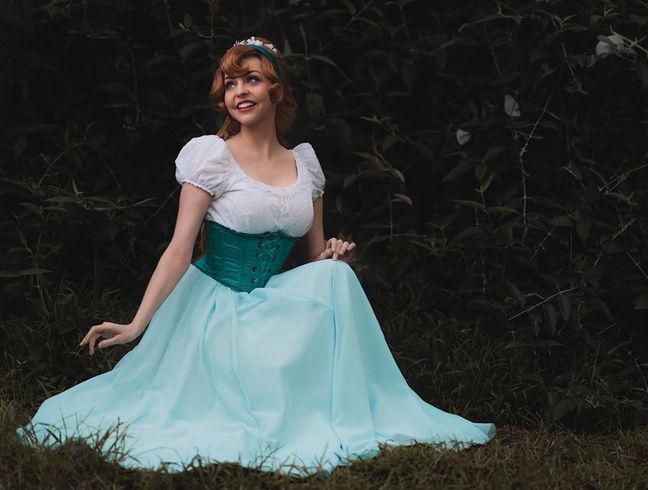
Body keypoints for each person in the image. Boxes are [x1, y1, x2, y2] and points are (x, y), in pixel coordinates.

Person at [16, 36, 495, 476]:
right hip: (215, 306)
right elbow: (180, 248)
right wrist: (137, 325)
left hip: (269, 302)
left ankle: (346, 406)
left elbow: (311, 262)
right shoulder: (212, 157)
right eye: (230, 83)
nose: (239, 91)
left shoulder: (304, 164)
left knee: (338, 279)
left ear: (277, 91)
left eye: (252, 80)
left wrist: (333, 256)